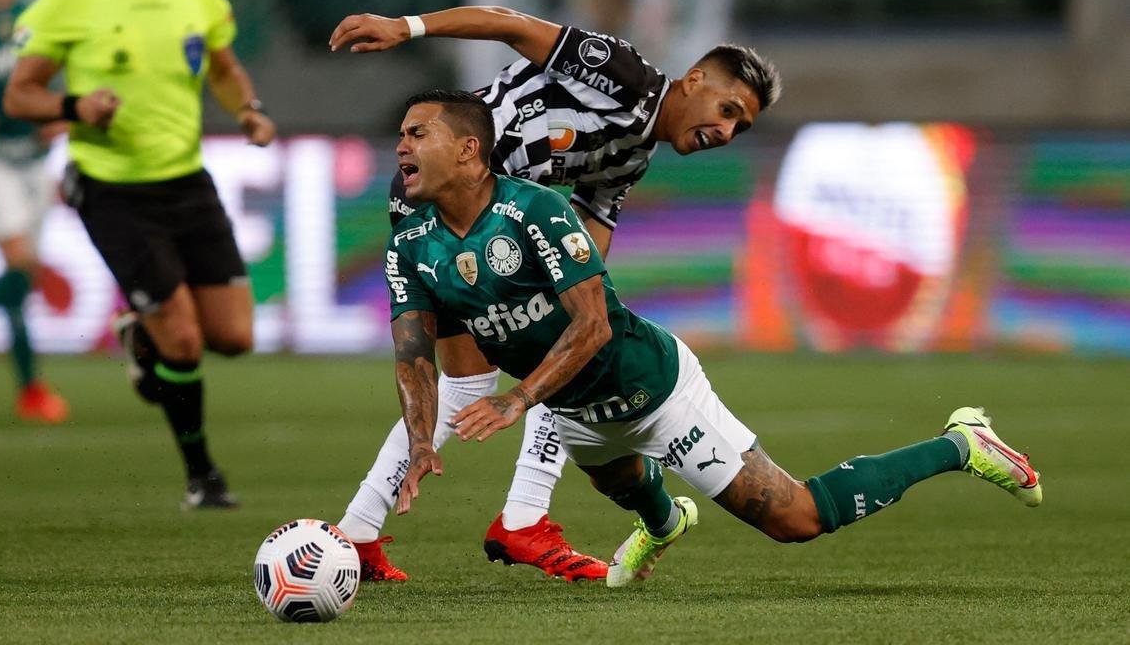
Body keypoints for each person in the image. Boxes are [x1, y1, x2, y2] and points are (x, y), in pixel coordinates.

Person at [383, 89, 1043, 586]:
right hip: (576, 413)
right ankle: (666, 522)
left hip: (655, 392)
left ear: (470, 148)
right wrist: (419, 440)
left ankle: (960, 444)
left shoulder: (535, 211)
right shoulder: (411, 245)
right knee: (627, 487)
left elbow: (593, 323)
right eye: (400, 136)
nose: (402, 146)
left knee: (796, 519)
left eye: (418, 133)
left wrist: (516, 400)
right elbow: (413, 352)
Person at [327, 6, 782, 580]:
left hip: (489, 218)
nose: (726, 132)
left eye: (740, 128)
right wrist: (408, 28)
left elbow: (591, 249)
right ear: (695, 81)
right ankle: (509, 522)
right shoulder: (624, 75)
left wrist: (585, 313)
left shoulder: (633, 154)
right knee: (483, 377)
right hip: (450, 197)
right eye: (728, 111)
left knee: (567, 349)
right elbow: (510, 24)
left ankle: (378, 530)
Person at [4, 0, 276, 508]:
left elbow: (225, 65)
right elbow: (21, 93)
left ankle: (139, 333)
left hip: (186, 179)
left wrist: (248, 109)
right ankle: (202, 476)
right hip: (110, 186)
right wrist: (74, 109)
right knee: (183, 341)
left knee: (234, 338)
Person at [0, 0, 68, 423]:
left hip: (35, 162)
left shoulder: (42, 10)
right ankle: (31, 386)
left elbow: (68, 68)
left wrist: (60, 112)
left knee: (20, 278)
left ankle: (30, 388)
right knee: (18, 263)